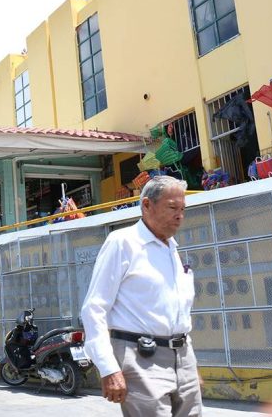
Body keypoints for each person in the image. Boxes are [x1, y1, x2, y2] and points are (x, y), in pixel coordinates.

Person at [81, 175, 201, 416]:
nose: (180, 216)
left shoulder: (172, 248)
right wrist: (108, 368)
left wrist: (187, 366)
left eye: (182, 209)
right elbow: (94, 309)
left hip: (183, 357)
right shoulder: (122, 243)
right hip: (141, 357)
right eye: (172, 208)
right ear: (147, 205)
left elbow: (176, 311)